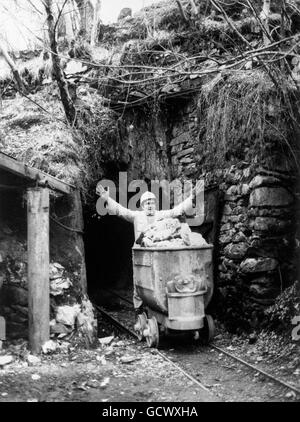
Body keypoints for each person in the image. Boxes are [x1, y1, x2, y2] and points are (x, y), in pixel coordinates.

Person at [95, 183, 201, 314]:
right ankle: (138, 308)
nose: (150, 205)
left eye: (152, 203)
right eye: (147, 203)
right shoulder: (136, 216)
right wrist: (106, 199)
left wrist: (192, 198)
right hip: (141, 254)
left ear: (155, 204)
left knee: (160, 279)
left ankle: (160, 304)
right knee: (139, 281)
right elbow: (120, 210)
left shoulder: (161, 215)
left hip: (157, 254)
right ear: (142, 205)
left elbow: (177, 210)